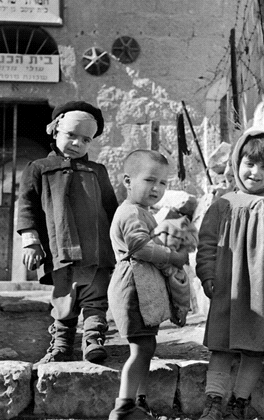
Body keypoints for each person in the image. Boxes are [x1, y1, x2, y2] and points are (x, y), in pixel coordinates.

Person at [196, 126, 264, 420]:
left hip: (260, 291)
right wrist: (207, 275)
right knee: (220, 347)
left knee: (255, 349)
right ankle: (213, 402)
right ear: (236, 163)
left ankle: (239, 404)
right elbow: (206, 243)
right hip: (228, 289)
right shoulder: (223, 204)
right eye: (249, 163)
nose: (255, 172)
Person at [17, 101, 118, 365]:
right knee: (64, 298)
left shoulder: (98, 172)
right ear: (55, 131)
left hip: (97, 249)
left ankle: (93, 341)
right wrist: (30, 240)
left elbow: (112, 209)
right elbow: (27, 206)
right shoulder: (38, 168)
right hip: (59, 247)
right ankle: (61, 345)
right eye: (71, 135)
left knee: (96, 296)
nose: (77, 143)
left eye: (85, 139)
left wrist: (119, 243)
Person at [108, 149, 190, 420]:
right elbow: (141, 247)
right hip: (133, 290)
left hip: (142, 290)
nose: (157, 188)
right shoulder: (131, 212)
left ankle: (138, 402)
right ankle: (124, 406)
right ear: (128, 181)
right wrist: (173, 257)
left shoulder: (142, 211)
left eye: (163, 183)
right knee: (141, 348)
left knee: (147, 346)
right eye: (149, 180)